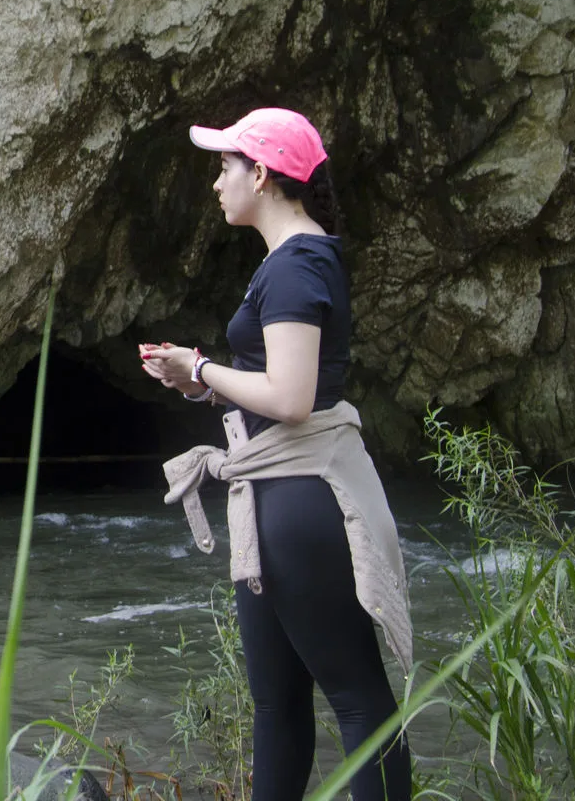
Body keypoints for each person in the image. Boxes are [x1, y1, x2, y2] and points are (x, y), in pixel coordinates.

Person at [142, 109, 412, 801]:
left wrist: (201, 368)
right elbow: (277, 388)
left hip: (300, 500)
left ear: (260, 174)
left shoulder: (296, 265)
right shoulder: (291, 261)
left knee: (357, 701)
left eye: (224, 167)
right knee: (278, 706)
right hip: (274, 496)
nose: (216, 184)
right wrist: (199, 383)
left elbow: (292, 398)